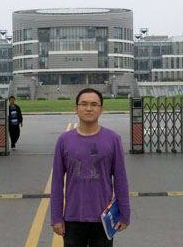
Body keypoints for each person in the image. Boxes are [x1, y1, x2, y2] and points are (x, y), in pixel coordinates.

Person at [51, 88, 130, 247]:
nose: (88, 108)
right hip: (73, 218)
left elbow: (120, 179)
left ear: (101, 109)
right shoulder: (64, 140)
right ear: (76, 108)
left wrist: (124, 214)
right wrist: (56, 217)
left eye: (94, 104)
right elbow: (57, 182)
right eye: (84, 104)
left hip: (104, 219)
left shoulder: (113, 139)